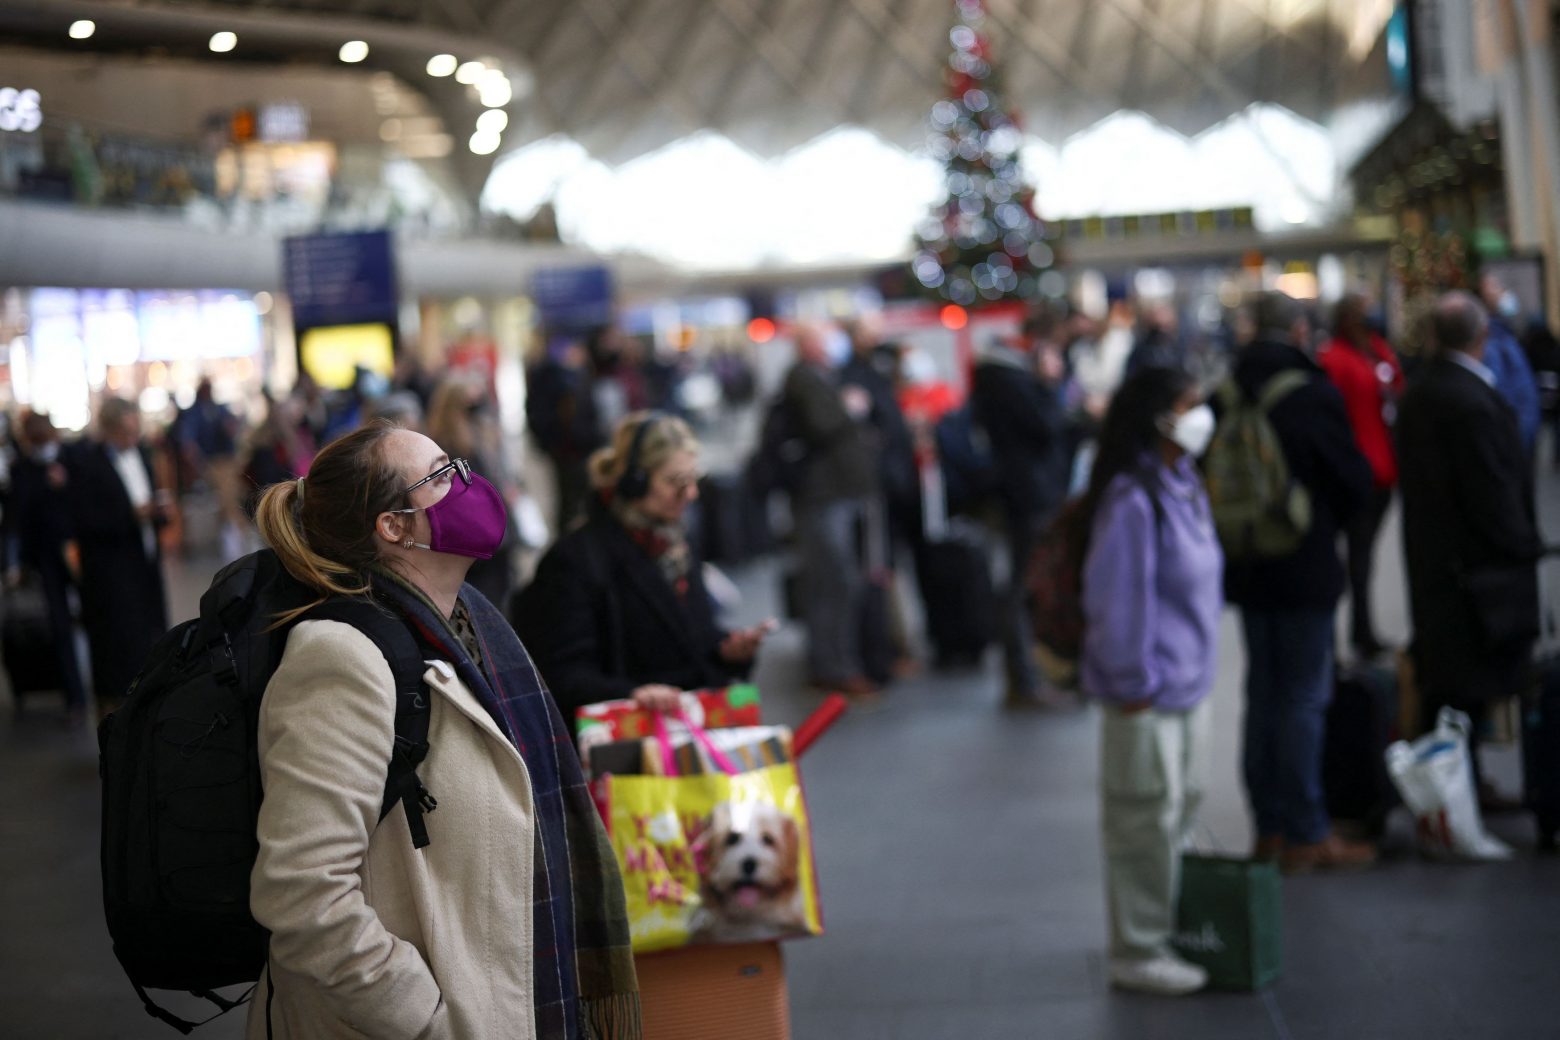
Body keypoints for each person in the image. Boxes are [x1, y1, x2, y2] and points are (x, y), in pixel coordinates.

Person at [248, 423, 640, 1039]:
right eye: (441, 475)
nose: (468, 482)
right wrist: (424, 1019)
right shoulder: (341, 657)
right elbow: (302, 891)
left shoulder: (471, 627)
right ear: (393, 526)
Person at [1079, 367, 1223, 997]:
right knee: (1142, 820)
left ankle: (1166, 928)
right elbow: (1117, 604)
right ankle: (1137, 949)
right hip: (1145, 692)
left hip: (1188, 682)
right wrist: (1130, 683)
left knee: (1179, 809)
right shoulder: (1132, 500)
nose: (1201, 417)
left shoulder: (1183, 482)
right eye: (1190, 406)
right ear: (1161, 417)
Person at [1221, 292, 1376, 873]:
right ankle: (1308, 832)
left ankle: (1268, 830)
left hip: (1245, 564)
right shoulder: (1310, 393)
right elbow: (1352, 482)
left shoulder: (1225, 392)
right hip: (1303, 564)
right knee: (1304, 696)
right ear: (1299, 331)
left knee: (1262, 693)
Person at [514, 412, 773, 718]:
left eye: (694, 479)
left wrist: (725, 651)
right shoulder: (575, 559)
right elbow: (563, 675)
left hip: (686, 720)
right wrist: (633, 695)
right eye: (676, 482)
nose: (691, 494)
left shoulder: (674, 541)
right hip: (630, 733)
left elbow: (691, 636)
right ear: (633, 482)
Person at [1398, 292, 1544, 793]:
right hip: (1477, 572)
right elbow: (1491, 492)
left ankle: (1454, 789)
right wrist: (1523, 543)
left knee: (1447, 685)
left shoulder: (1423, 390)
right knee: (1468, 686)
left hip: (1438, 562)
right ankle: (1458, 792)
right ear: (1482, 336)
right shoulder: (1470, 400)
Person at [970, 311, 1069, 706]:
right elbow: (1046, 427)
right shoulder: (1009, 380)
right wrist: (1049, 385)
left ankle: (1031, 675)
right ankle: (1025, 679)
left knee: (1025, 583)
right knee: (1024, 585)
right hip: (1026, 494)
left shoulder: (1001, 376)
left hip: (1027, 492)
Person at [782, 325, 883, 695]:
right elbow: (823, 424)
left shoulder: (822, 377)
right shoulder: (803, 379)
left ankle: (838, 663)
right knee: (834, 582)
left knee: (839, 581)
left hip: (838, 493)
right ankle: (833, 666)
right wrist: (849, 407)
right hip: (823, 496)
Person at [66, 397, 171, 716]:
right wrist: (131, 516)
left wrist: (159, 513)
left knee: (151, 633)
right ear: (109, 430)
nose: (132, 437)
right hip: (111, 571)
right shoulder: (87, 464)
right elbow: (84, 520)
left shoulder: (141, 454)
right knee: (119, 643)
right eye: (126, 432)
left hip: (145, 564)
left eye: (135, 430)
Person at [1318, 294, 1405, 658]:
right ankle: (1349, 635)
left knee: (1365, 556)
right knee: (1353, 558)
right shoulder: (1333, 359)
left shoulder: (1377, 351)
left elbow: (1396, 386)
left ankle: (1362, 630)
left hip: (1383, 468)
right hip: (1357, 471)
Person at [2, 412, 89, 721]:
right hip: (46, 558)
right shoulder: (22, 469)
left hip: (77, 551)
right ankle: (75, 695)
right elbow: (18, 518)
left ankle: (93, 689)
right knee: (60, 626)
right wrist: (18, 563)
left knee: (92, 617)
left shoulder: (71, 459)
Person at [426, 374, 517, 607]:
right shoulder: (446, 445)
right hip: (476, 539)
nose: (478, 410)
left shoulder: (480, 434)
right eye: (471, 404)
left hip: (496, 531)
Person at [527, 339, 604, 533]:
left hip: (571, 447)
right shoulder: (563, 379)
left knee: (572, 497)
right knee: (571, 498)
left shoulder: (571, 377)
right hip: (569, 449)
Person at [1477, 274, 1541, 455]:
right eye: (1495, 289)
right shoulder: (1493, 343)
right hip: (1513, 434)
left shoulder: (1508, 337)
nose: (1503, 294)